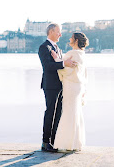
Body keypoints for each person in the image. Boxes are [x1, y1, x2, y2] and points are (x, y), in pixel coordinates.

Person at [38, 23, 76, 153]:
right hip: (50, 86)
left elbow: (60, 65)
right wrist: (63, 63)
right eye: (58, 32)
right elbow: (47, 66)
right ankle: (45, 142)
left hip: (60, 85)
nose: (60, 34)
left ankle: (54, 141)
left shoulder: (57, 48)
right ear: (51, 32)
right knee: (50, 112)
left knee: (58, 113)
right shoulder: (44, 47)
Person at [51, 32, 89, 151]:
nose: (69, 39)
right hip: (78, 87)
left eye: (71, 38)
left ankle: (67, 144)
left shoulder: (72, 53)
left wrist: (57, 59)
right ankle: (76, 143)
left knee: (68, 112)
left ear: (76, 40)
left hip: (70, 86)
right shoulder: (82, 54)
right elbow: (84, 74)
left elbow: (65, 70)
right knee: (76, 113)